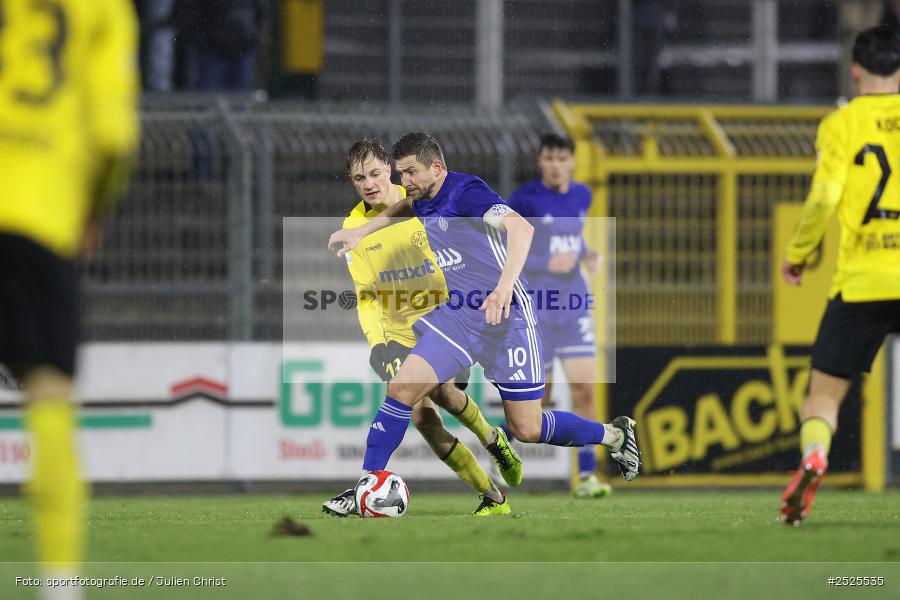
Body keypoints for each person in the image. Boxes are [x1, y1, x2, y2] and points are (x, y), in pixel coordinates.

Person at [327, 133, 641, 498]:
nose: (404, 182)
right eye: (401, 173)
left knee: (527, 428)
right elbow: (402, 210)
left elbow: (521, 228)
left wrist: (505, 286)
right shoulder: (422, 198)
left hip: (507, 318)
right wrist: (361, 231)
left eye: (410, 173)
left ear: (437, 168)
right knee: (402, 389)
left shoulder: (466, 192)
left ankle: (614, 434)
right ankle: (367, 484)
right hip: (458, 316)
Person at [0, 0, 140, 597]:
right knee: (50, 397)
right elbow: (113, 135)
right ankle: (59, 583)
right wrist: (91, 209)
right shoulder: (101, 9)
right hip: (38, 212)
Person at [322, 138, 513, 517]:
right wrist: (380, 344)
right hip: (398, 333)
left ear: (389, 170)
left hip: (445, 321)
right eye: (360, 178)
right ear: (352, 181)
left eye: (376, 173)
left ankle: (492, 438)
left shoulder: (419, 202)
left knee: (443, 395)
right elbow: (366, 295)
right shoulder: (353, 226)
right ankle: (491, 494)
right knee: (423, 416)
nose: (369, 183)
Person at [780, 26, 900, 526]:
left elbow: (825, 198)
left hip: (861, 281)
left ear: (855, 70)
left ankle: (814, 458)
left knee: (823, 397)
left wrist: (799, 253)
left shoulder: (841, 124)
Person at [506, 133, 611, 499]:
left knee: (585, 391)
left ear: (571, 161)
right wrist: (543, 262)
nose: (554, 164)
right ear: (540, 162)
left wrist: (587, 254)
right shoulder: (524, 199)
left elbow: (571, 238)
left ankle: (586, 477)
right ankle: (498, 449)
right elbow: (506, 246)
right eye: (548, 158)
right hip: (539, 309)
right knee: (542, 399)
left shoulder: (583, 195)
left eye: (561, 158)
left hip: (574, 306)